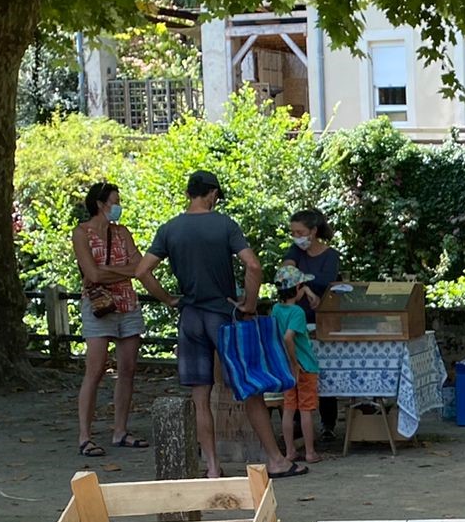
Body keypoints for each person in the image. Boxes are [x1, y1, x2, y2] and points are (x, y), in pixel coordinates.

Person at [133, 170, 305, 479]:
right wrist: (249, 304)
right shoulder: (224, 225)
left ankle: (212, 467)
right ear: (211, 193)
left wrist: (169, 299)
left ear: (189, 193)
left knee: (201, 398)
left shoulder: (169, 229)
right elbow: (252, 265)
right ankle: (276, 460)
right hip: (222, 316)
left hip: (190, 318)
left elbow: (143, 271)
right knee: (251, 389)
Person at [72, 181, 169, 457]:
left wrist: (111, 270)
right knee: (95, 370)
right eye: (115, 201)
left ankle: (120, 430)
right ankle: (85, 436)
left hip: (128, 306)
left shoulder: (122, 232)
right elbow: (93, 275)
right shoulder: (81, 233)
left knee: (127, 370)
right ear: (101, 204)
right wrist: (126, 271)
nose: (118, 206)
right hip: (99, 307)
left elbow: (141, 268)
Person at [286, 208, 344, 441]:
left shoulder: (331, 256)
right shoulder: (294, 251)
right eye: (293, 232)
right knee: (297, 372)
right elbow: (286, 274)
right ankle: (299, 423)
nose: (296, 237)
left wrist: (305, 283)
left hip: (322, 322)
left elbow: (326, 281)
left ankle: (328, 424)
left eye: (300, 232)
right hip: (297, 321)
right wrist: (308, 287)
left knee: (322, 371)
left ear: (313, 231)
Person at [269, 264, 322, 465]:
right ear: (298, 288)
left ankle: (290, 451)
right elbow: (289, 337)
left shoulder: (275, 309)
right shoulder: (298, 312)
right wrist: (295, 363)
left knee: (289, 408)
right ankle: (310, 452)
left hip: (286, 367)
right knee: (306, 409)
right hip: (304, 366)